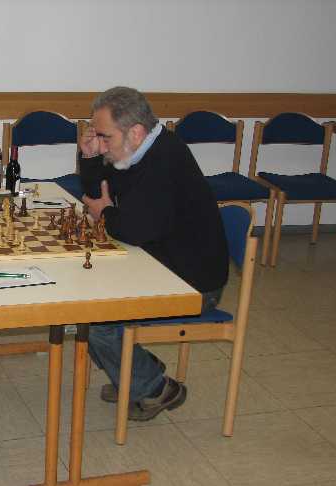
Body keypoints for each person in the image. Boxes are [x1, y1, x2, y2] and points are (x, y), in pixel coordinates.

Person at [79, 86, 228, 421]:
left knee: (98, 321)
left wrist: (106, 213)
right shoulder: (138, 152)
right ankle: (133, 375)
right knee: (85, 302)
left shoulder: (165, 160)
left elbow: (133, 229)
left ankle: (154, 386)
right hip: (159, 264)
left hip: (193, 283)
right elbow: (97, 193)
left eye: (104, 137)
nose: (101, 145)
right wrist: (90, 158)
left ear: (135, 132)